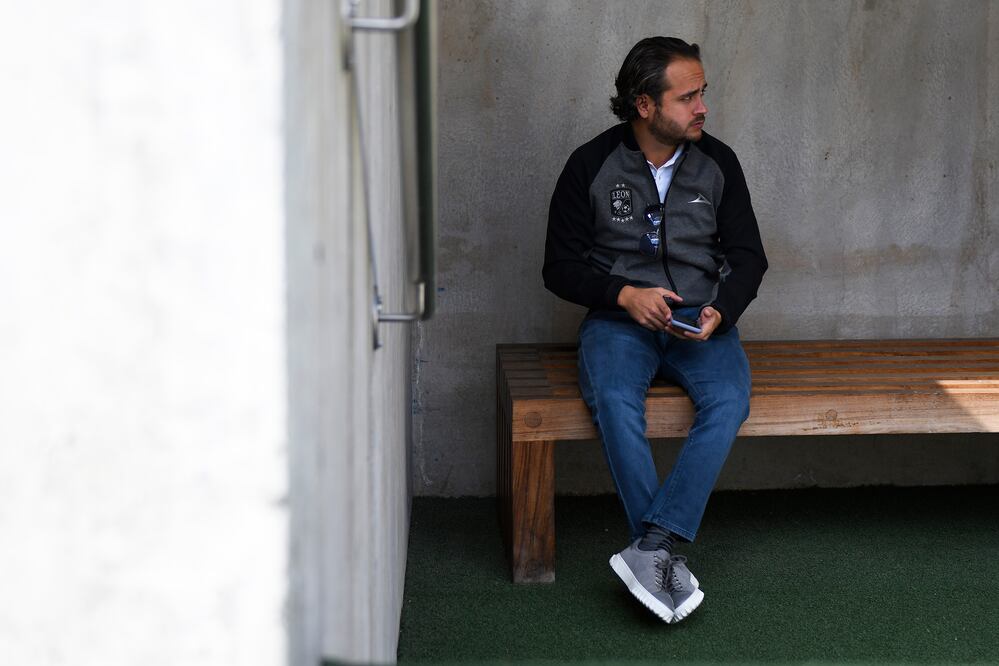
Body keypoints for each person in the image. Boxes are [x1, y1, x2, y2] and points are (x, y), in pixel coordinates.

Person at [542, 36, 767, 624]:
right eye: (688, 96)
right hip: (619, 322)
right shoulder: (590, 165)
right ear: (645, 105)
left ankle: (653, 546)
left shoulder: (719, 163)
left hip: (698, 321)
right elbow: (558, 267)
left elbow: (749, 257)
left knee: (729, 399)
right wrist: (621, 293)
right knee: (615, 399)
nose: (702, 108)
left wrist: (724, 310)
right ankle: (659, 552)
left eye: (703, 94)